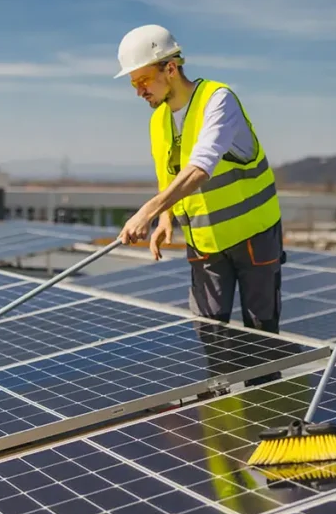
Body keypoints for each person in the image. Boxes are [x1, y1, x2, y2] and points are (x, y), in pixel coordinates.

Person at [114, 24, 285, 337]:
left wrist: (147, 212)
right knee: (210, 333)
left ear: (170, 68)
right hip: (204, 243)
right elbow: (168, 175)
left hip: (254, 236)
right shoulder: (158, 120)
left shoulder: (218, 101)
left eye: (143, 80)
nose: (139, 91)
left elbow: (200, 168)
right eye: (133, 84)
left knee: (262, 335)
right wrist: (165, 218)